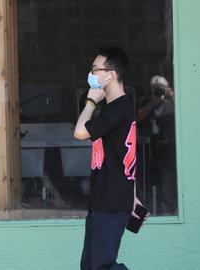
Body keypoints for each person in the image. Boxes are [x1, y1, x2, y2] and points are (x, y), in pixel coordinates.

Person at [74, 46, 147, 270]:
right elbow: (127, 155)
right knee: (89, 265)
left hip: (111, 201)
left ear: (111, 75)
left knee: (102, 266)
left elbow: (79, 132)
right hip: (104, 199)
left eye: (95, 69)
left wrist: (90, 102)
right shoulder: (116, 109)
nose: (92, 74)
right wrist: (132, 194)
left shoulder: (118, 109)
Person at [136, 75, 176, 214]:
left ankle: (166, 210)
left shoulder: (172, 103)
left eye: (162, 88)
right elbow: (137, 118)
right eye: (156, 88)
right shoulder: (145, 102)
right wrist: (152, 104)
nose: (159, 91)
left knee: (166, 181)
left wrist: (173, 95)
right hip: (146, 148)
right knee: (145, 182)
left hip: (167, 148)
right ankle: (147, 210)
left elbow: (184, 113)